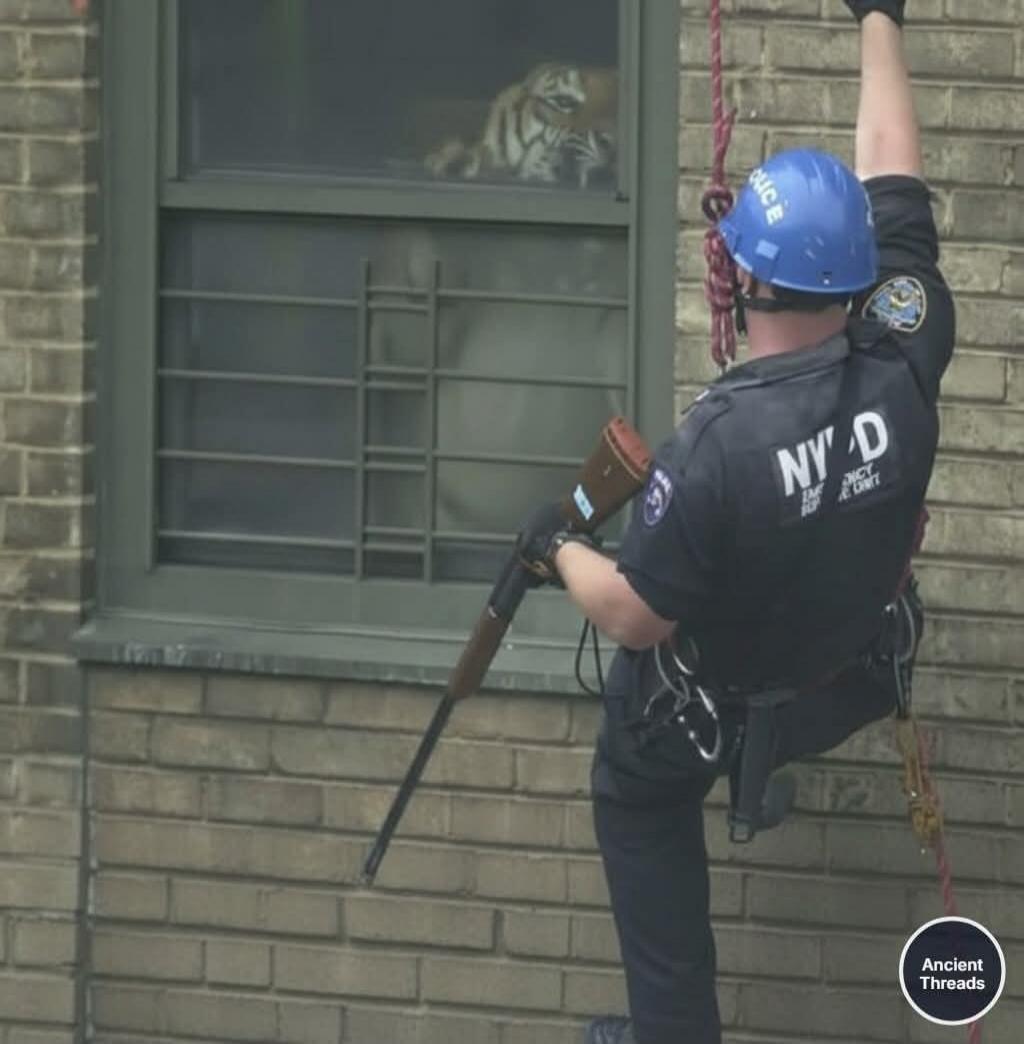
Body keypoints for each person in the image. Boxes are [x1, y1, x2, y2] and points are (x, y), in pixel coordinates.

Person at [516, 2, 955, 1042]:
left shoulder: (712, 451)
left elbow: (634, 617)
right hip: (842, 678)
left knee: (634, 791)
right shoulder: (905, 339)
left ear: (745, 280)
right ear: (851, 272)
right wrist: (877, 18)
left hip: (712, 709)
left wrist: (557, 549)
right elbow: (893, 167)